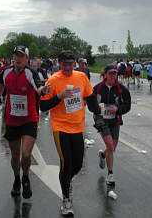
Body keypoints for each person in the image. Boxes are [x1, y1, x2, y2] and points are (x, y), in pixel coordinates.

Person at [40, 50, 107, 216]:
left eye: (70, 63)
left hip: (78, 127)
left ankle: (66, 181)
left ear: (75, 63)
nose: (67, 67)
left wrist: (97, 115)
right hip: (60, 127)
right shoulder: (53, 80)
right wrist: (59, 97)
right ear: (59, 64)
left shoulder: (81, 77)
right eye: (64, 64)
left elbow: (91, 99)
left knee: (77, 164)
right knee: (66, 162)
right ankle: (66, 199)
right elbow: (43, 107)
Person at [0, 46, 49, 199]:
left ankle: (26, 176)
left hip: (29, 118)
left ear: (26, 59)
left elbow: (38, 87)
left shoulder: (31, 72)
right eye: (16, 55)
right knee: (15, 154)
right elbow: (0, 86)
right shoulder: (5, 72)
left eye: (21, 56)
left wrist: (42, 90)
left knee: (25, 154)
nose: (18, 58)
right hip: (12, 119)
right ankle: (17, 178)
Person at [94, 65, 131, 188]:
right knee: (110, 145)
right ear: (105, 74)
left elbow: (127, 106)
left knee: (112, 148)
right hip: (101, 119)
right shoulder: (98, 88)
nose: (113, 76)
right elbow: (90, 104)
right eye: (110, 73)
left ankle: (103, 155)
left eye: (114, 73)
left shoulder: (122, 89)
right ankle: (110, 174)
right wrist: (96, 107)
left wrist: (118, 109)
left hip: (115, 120)